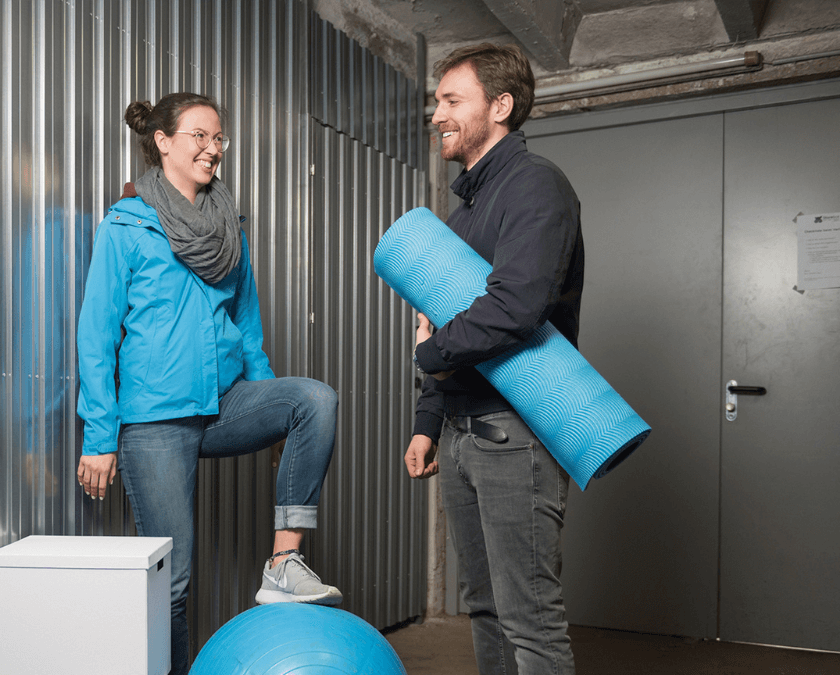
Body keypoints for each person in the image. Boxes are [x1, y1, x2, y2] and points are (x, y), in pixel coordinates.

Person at [76, 92, 342, 675]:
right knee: (173, 584)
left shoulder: (227, 227)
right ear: (163, 143)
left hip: (222, 404)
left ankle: (283, 564)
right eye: (199, 135)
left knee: (313, 400)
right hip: (153, 420)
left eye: (218, 137)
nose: (212, 148)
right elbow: (96, 334)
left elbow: (247, 324)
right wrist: (100, 435)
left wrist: (270, 404)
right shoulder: (127, 225)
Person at [404, 44, 585, 675]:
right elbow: (445, 315)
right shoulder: (465, 211)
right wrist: (429, 421)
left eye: (452, 100)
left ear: (500, 106)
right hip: (459, 433)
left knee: (529, 619)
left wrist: (429, 354)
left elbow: (515, 307)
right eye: (437, 102)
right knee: (483, 605)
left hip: (514, 436)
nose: (437, 115)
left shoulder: (537, 186)